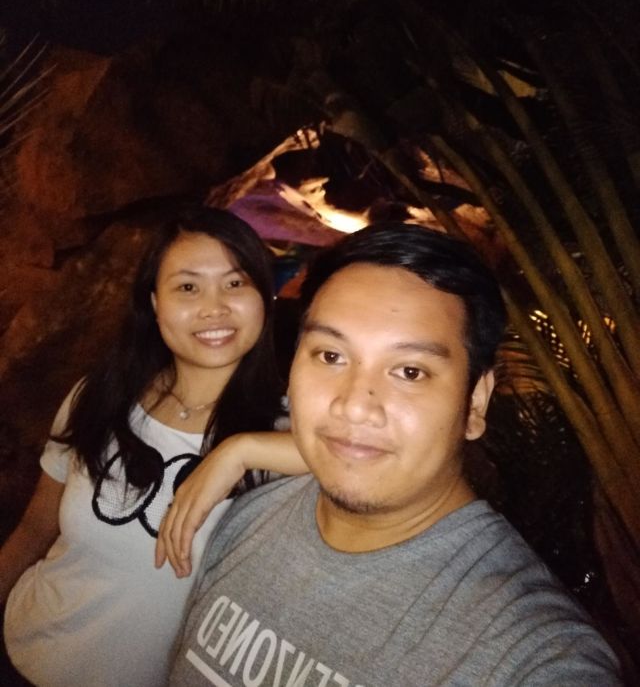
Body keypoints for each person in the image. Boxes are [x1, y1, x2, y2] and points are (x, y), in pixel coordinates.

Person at [169, 221, 621, 687]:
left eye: (409, 371)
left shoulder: (527, 650)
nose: (355, 405)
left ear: (475, 403)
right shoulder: (247, 519)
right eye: (330, 356)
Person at [0, 206, 305, 687]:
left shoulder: (290, 434)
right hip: (22, 649)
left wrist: (239, 451)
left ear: (264, 295)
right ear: (154, 303)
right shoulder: (99, 395)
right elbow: (36, 527)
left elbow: (385, 470)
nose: (214, 307)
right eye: (188, 287)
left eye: (235, 282)